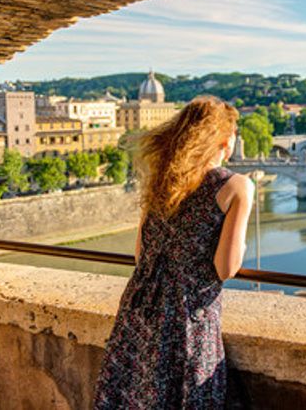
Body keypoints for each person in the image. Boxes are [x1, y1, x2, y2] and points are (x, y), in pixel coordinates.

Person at [93, 96, 255, 410]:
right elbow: (224, 268)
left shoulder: (162, 180)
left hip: (139, 308)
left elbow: (142, 254)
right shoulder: (236, 186)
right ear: (225, 139)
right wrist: (240, 245)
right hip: (187, 315)